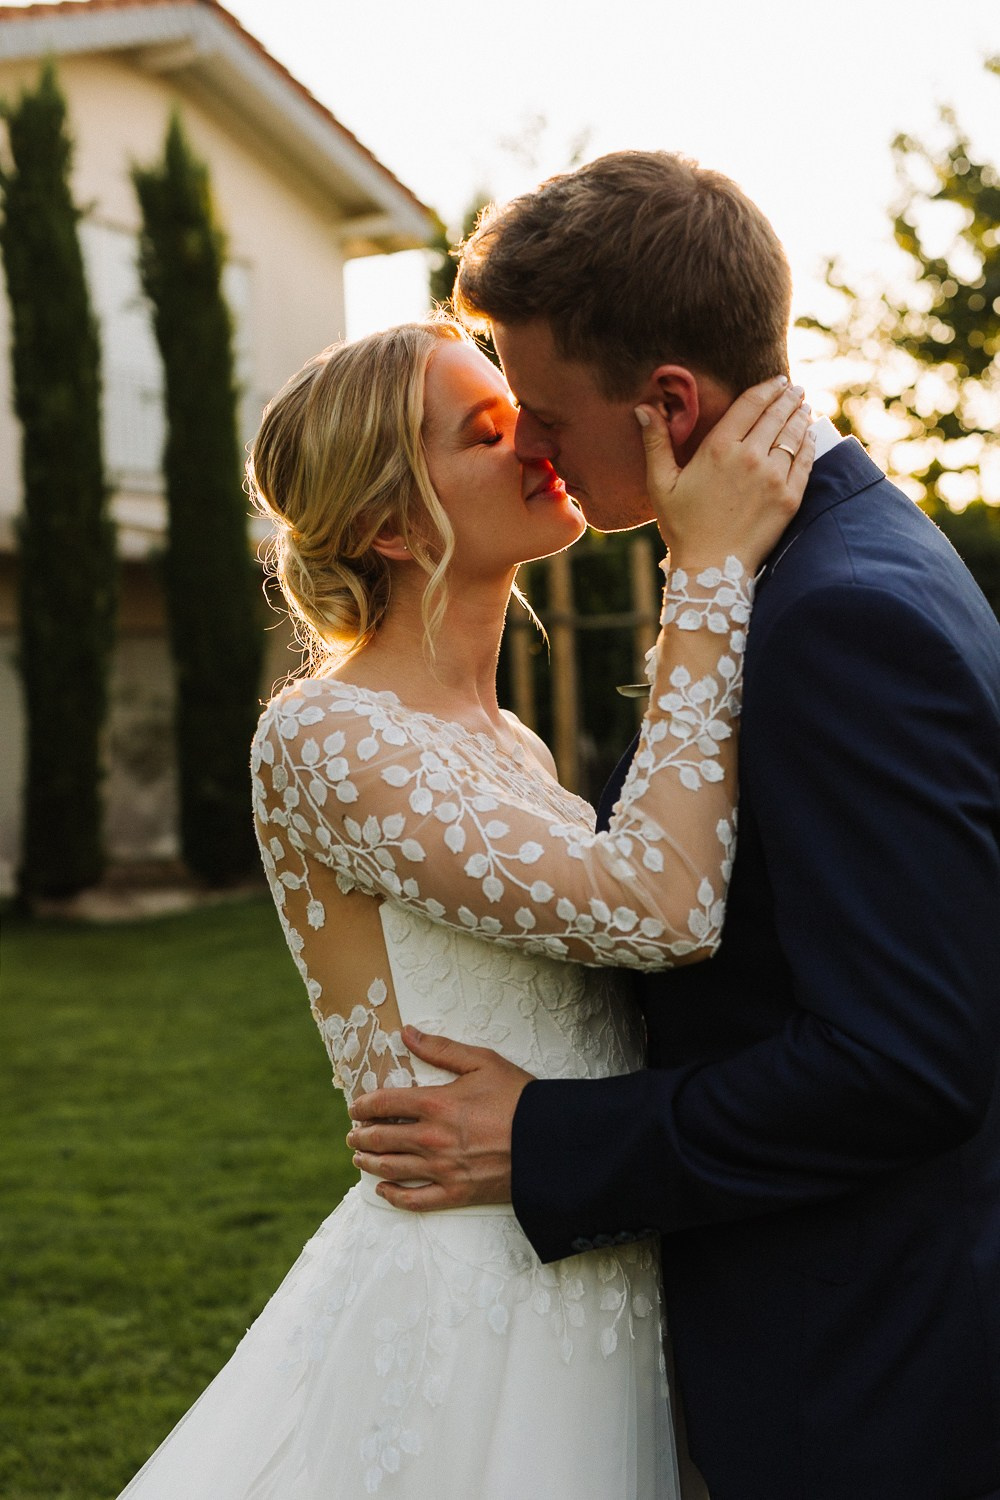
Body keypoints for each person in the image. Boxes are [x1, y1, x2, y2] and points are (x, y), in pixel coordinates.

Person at [347, 153, 1000, 1500]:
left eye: (542, 411)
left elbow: (907, 1060)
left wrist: (547, 1140)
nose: (534, 447)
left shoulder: (838, 616)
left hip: (860, 1378)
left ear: (668, 405)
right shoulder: (827, 559)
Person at [113, 316, 809, 1500]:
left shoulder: (514, 744)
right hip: (466, 1294)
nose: (537, 439)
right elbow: (659, 909)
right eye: (489, 431)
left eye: (527, 412)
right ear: (391, 523)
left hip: (592, 1253)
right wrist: (706, 569)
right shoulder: (323, 735)